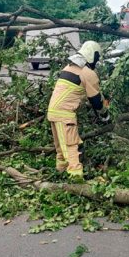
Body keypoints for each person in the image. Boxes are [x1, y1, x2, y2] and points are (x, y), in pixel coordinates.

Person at [46, 41, 110, 179]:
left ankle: (60, 176)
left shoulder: (68, 68)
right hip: (64, 115)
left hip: (53, 113)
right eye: (97, 58)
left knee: (61, 151)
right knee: (73, 148)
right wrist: (105, 116)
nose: (97, 62)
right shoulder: (87, 73)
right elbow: (96, 100)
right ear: (92, 55)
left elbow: (74, 93)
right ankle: (76, 181)